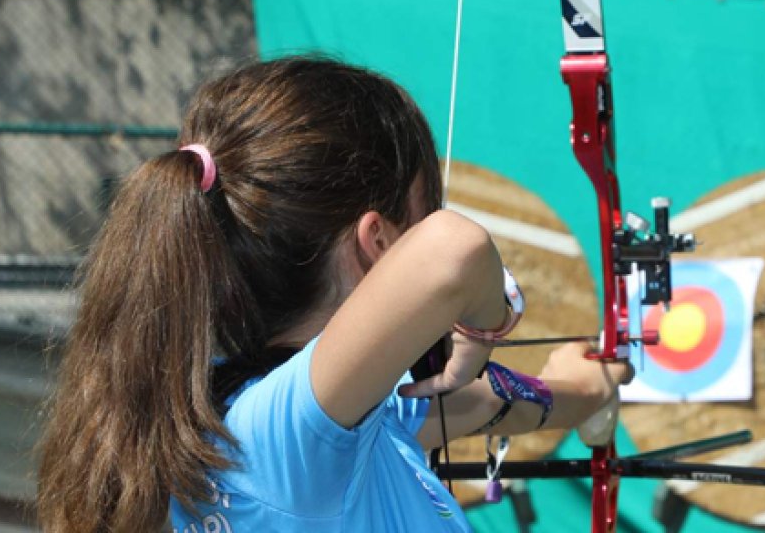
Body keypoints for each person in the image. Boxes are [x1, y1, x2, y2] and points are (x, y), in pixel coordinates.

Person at [36, 57, 631, 532]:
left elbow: (477, 403)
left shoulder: (220, 409)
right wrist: (485, 325)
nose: (434, 223)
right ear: (377, 242)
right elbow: (454, 251)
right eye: (422, 215)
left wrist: (584, 389)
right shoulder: (286, 430)